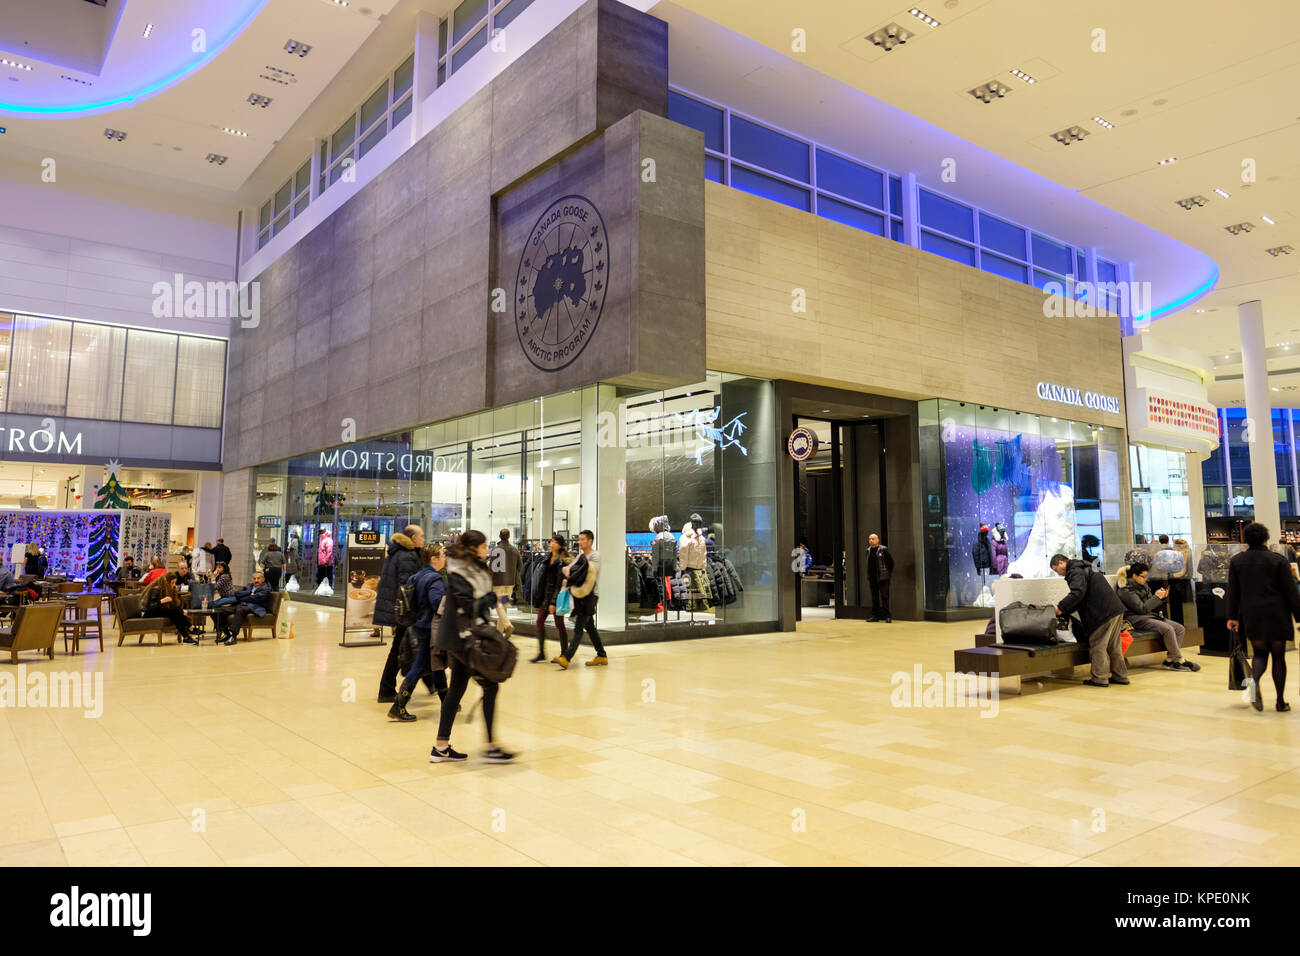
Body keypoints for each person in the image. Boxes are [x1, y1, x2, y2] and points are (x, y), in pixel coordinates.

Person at [430, 530, 515, 763]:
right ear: (474, 548)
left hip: (463, 636)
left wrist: (497, 601)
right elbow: (469, 605)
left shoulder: (472, 569)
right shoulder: (460, 572)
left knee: (457, 688)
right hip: (464, 638)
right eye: (485, 546)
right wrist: (492, 600)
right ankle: (490, 747)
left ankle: (441, 746)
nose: (488, 550)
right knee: (490, 686)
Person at [1227, 522, 1300, 713]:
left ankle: (1254, 681)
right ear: (1266, 538)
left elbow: (1233, 592)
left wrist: (1232, 617)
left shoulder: (1237, 561)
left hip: (1252, 614)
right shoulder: (1278, 560)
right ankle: (1280, 702)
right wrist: (1299, 616)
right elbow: (1291, 591)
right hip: (1277, 614)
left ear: (1246, 539)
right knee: (1278, 657)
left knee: (1259, 654)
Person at [388, 545, 450, 721]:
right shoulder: (435, 579)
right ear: (433, 559)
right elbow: (437, 603)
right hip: (430, 627)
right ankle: (399, 705)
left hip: (418, 625)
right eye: (442, 555)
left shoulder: (416, 576)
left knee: (435, 664)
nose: (444, 558)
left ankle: (447, 701)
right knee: (421, 665)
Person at [1052, 553, 1129, 687]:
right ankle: (1120, 676)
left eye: (1055, 569)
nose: (1058, 574)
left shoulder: (1074, 570)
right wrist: (1065, 610)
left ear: (1061, 563)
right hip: (1115, 609)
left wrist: (1060, 607)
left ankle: (1099, 678)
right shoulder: (1085, 566)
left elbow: (1077, 592)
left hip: (1102, 612)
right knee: (1114, 646)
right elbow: (1081, 596)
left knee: (1098, 644)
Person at [375, 526, 428, 703]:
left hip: (397, 608)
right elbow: (409, 586)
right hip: (405, 610)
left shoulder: (398, 552)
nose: (424, 538)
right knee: (402, 648)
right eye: (421, 536)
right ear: (413, 538)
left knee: (406, 646)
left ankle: (432, 682)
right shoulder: (408, 555)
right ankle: (386, 689)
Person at [1119, 562, 1201, 672]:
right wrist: (1156, 597)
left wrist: (1160, 598)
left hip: (1148, 616)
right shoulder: (1126, 590)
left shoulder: (1143, 586)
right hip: (1135, 619)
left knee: (1179, 628)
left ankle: (1169, 659)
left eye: (1146, 576)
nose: (1145, 579)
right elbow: (1141, 609)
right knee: (1168, 629)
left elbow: (1149, 606)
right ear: (1134, 575)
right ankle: (1178, 659)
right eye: (1143, 577)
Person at [557, 529, 608, 668]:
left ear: (590, 541)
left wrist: (570, 574)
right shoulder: (580, 556)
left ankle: (567, 657)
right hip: (580, 595)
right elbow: (568, 569)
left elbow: (586, 573)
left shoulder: (595, 556)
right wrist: (569, 572)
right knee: (590, 627)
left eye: (582, 539)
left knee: (579, 627)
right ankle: (602, 655)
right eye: (579, 539)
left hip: (591, 596)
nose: (579, 542)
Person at [532, 534, 571, 664]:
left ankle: (564, 653)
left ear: (560, 545)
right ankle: (541, 653)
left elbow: (559, 583)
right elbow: (544, 580)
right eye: (551, 541)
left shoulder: (562, 561)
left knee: (559, 624)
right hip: (546, 597)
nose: (552, 544)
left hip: (556, 597)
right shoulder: (548, 558)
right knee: (539, 622)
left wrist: (553, 601)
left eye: (555, 542)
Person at [216, 571, 273, 645]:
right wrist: (249, 593)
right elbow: (236, 593)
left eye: (258, 578)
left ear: (263, 579)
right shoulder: (249, 586)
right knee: (217, 611)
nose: (256, 580)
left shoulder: (266, 589)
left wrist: (242, 598)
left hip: (254, 607)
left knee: (240, 610)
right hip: (241, 605)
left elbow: (255, 599)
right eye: (254, 578)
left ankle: (233, 636)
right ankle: (227, 634)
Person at [141, 572, 197, 645]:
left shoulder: (167, 590)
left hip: (159, 611)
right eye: (172, 583)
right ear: (167, 582)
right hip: (149, 614)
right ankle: (190, 627)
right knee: (175, 611)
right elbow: (151, 607)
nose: (174, 585)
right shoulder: (156, 589)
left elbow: (173, 605)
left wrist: (180, 610)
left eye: (175, 583)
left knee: (175, 614)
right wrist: (162, 601)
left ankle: (186, 637)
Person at [488, 529, 520, 637]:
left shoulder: (495, 550)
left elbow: (491, 568)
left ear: (499, 536)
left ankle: (507, 625)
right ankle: (499, 632)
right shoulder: (515, 550)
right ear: (509, 536)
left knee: (498, 605)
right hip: (510, 582)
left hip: (497, 582)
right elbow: (520, 567)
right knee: (503, 607)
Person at [865, 533, 894, 623]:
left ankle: (888, 616)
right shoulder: (868, 551)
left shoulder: (883, 550)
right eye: (869, 539)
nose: (871, 540)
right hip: (872, 578)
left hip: (883, 578)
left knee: (885, 597)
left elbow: (891, 562)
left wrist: (887, 573)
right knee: (874, 598)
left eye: (873, 539)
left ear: (878, 540)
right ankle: (875, 616)